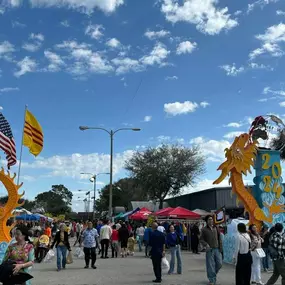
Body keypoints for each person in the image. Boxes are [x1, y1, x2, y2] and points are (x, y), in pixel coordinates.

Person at [200, 215, 223, 285]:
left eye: (212, 219)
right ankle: (212, 280)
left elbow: (219, 238)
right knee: (210, 265)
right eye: (209, 219)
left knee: (219, 264)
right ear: (207, 221)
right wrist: (205, 244)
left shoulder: (216, 228)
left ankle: (212, 274)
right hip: (209, 250)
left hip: (217, 249)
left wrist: (220, 248)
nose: (211, 221)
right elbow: (201, 239)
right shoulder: (204, 229)